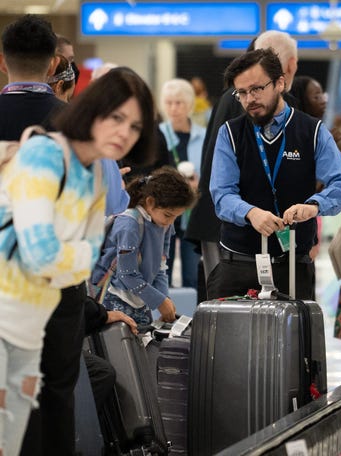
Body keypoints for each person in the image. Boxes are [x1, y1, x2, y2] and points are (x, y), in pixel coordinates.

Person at [18, 67, 156, 456]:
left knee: (57, 400)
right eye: (117, 118)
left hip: (62, 298)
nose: (124, 132)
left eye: (134, 124)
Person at [207, 48, 341, 300]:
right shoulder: (230, 133)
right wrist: (250, 213)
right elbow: (221, 195)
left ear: (280, 83)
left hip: (293, 263)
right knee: (229, 339)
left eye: (256, 89)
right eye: (241, 93)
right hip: (238, 262)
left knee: (293, 339)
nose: (249, 99)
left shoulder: (312, 131)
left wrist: (314, 206)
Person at [186, 31, 302, 289]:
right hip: (237, 224)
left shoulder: (231, 95)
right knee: (235, 306)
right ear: (290, 64)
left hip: (227, 219)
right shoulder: (248, 100)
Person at [91, 166, 198, 325]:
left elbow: (161, 267)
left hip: (139, 297)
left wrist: (164, 298)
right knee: (118, 346)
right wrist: (160, 301)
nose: (170, 222)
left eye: (175, 217)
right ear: (150, 202)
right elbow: (126, 274)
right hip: (114, 297)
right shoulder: (129, 224)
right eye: (168, 215)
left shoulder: (164, 224)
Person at [159, 78, 205, 289]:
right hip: (163, 213)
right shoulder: (158, 134)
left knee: (192, 276)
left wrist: (199, 183)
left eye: (179, 102)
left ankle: (193, 319)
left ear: (189, 105)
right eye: (169, 102)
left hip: (192, 214)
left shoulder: (203, 136)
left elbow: (210, 172)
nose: (174, 108)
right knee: (161, 272)